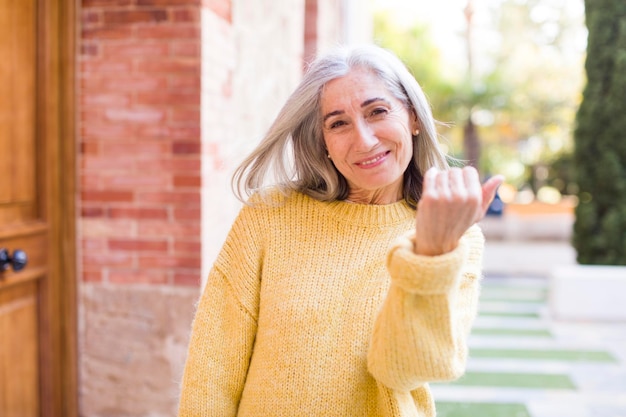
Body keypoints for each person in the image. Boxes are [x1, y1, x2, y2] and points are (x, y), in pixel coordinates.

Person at [177, 44, 503, 417]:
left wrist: (431, 252)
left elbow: (409, 368)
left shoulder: (456, 238)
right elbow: (213, 366)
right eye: (338, 123)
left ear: (412, 117)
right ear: (324, 143)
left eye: (377, 111)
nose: (364, 140)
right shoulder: (269, 217)